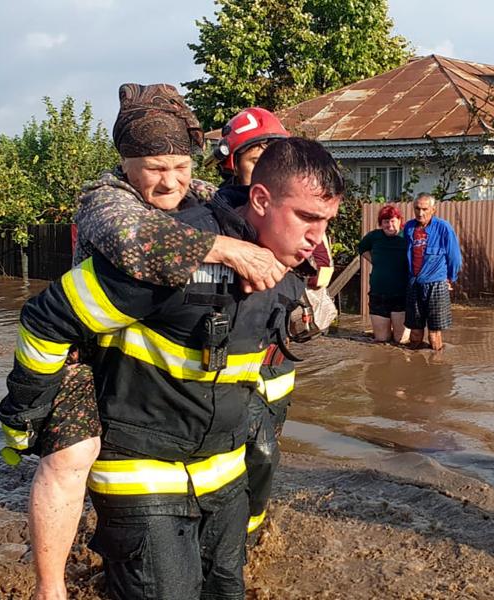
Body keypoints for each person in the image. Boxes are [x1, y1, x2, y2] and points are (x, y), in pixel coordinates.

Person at [0, 137, 344, 599]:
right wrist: (27, 414)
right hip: (142, 473)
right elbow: (47, 318)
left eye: (326, 222)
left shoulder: (286, 262)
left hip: (222, 473)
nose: (317, 239)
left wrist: (305, 316)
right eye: (307, 218)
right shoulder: (173, 255)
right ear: (261, 199)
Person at [209, 107, 335, 536]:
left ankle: (249, 526)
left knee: (264, 450)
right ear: (232, 162)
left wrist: (313, 299)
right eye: (253, 154)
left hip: (274, 359)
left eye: (271, 150)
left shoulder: (299, 216)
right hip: (227, 358)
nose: (263, 159)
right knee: (242, 450)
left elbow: (320, 267)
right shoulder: (213, 215)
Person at [403, 193, 462, 352]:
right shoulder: (409, 227)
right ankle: (414, 368)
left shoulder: (443, 227)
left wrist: (450, 279)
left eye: (424, 209)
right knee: (414, 331)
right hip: (414, 284)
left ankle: (436, 368)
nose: (420, 213)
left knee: (434, 334)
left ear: (433, 210)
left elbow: (455, 257)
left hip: (436, 284)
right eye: (417, 208)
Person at [357, 204, 409, 343]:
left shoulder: (407, 236)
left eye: (393, 220)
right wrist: (375, 261)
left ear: (399, 221)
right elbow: (361, 248)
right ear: (381, 223)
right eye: (386, 221)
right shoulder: (374, 236)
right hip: (379, 294)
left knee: (401, 340)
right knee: (381, 340)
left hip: (402, 294)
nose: (389, 225)